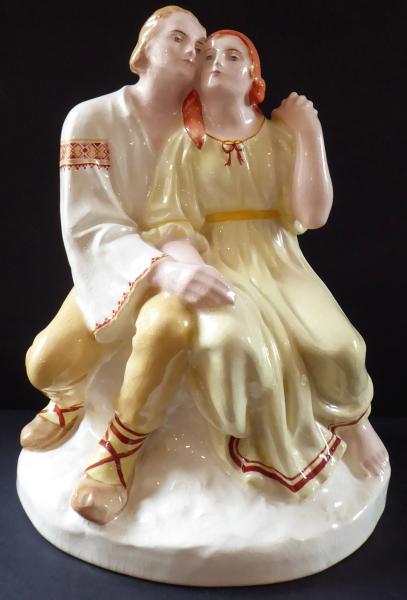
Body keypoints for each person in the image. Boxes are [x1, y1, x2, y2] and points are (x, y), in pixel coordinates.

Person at [73, 29, 389, 524]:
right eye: (207, 56)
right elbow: (170, 221)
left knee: (338, 345)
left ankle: (353, 424)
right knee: (234, 345)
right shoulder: (183, 145)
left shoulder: (279, 139)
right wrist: (193, 268)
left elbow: (313, 213)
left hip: (278, 260)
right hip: (216, 259)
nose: (217, 61)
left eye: (233, 55)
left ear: (253, 77)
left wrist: (309, 132)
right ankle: (242, 448)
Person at [20, 9, 233, 453]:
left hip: (192, 259)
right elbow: (88, 221)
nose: (191, 52)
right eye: (177, 38)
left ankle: (124, 442)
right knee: (45, 364)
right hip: (118, 265)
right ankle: (69, 397)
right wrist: (161, 270)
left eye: (200, 47)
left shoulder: (208, 128)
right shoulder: (91, 119)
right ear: (145, 47)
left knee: (166, 329)